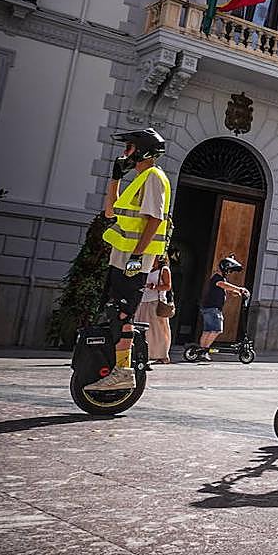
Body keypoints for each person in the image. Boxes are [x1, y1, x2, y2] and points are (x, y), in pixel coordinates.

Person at [85, 128, 171, 391]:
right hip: (119, 258)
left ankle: (123, 371)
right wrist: (115, 178)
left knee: (123, 313)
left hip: (133, 261)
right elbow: (110, 212)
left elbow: (155, 219)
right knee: (113, 312)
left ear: (143, 150)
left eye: (130, 148)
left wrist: (137, 255)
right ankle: (113, 366)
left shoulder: (154, 178)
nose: (125, 153)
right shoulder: (138, 180)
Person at [198, 256, 248, 362]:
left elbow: (224, 288)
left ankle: (201, 351)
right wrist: (238, 288)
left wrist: (236, 292)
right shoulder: (217, 277)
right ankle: (204, 351)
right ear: (225, 268)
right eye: (229, 270)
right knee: (216, 330)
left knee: (207, 331)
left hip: (209, 307)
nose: (229, 273)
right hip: (213, 308)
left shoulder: (219, 278)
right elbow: (222, 285)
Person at [136, 255, 173, 364]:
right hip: (143, 301)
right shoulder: (144, 268)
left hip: (156, 303)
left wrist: (154, 287)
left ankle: (162, 354)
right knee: (144, 329)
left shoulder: (163, 270)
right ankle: (146, 353)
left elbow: (168, 286)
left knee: (159, 331)